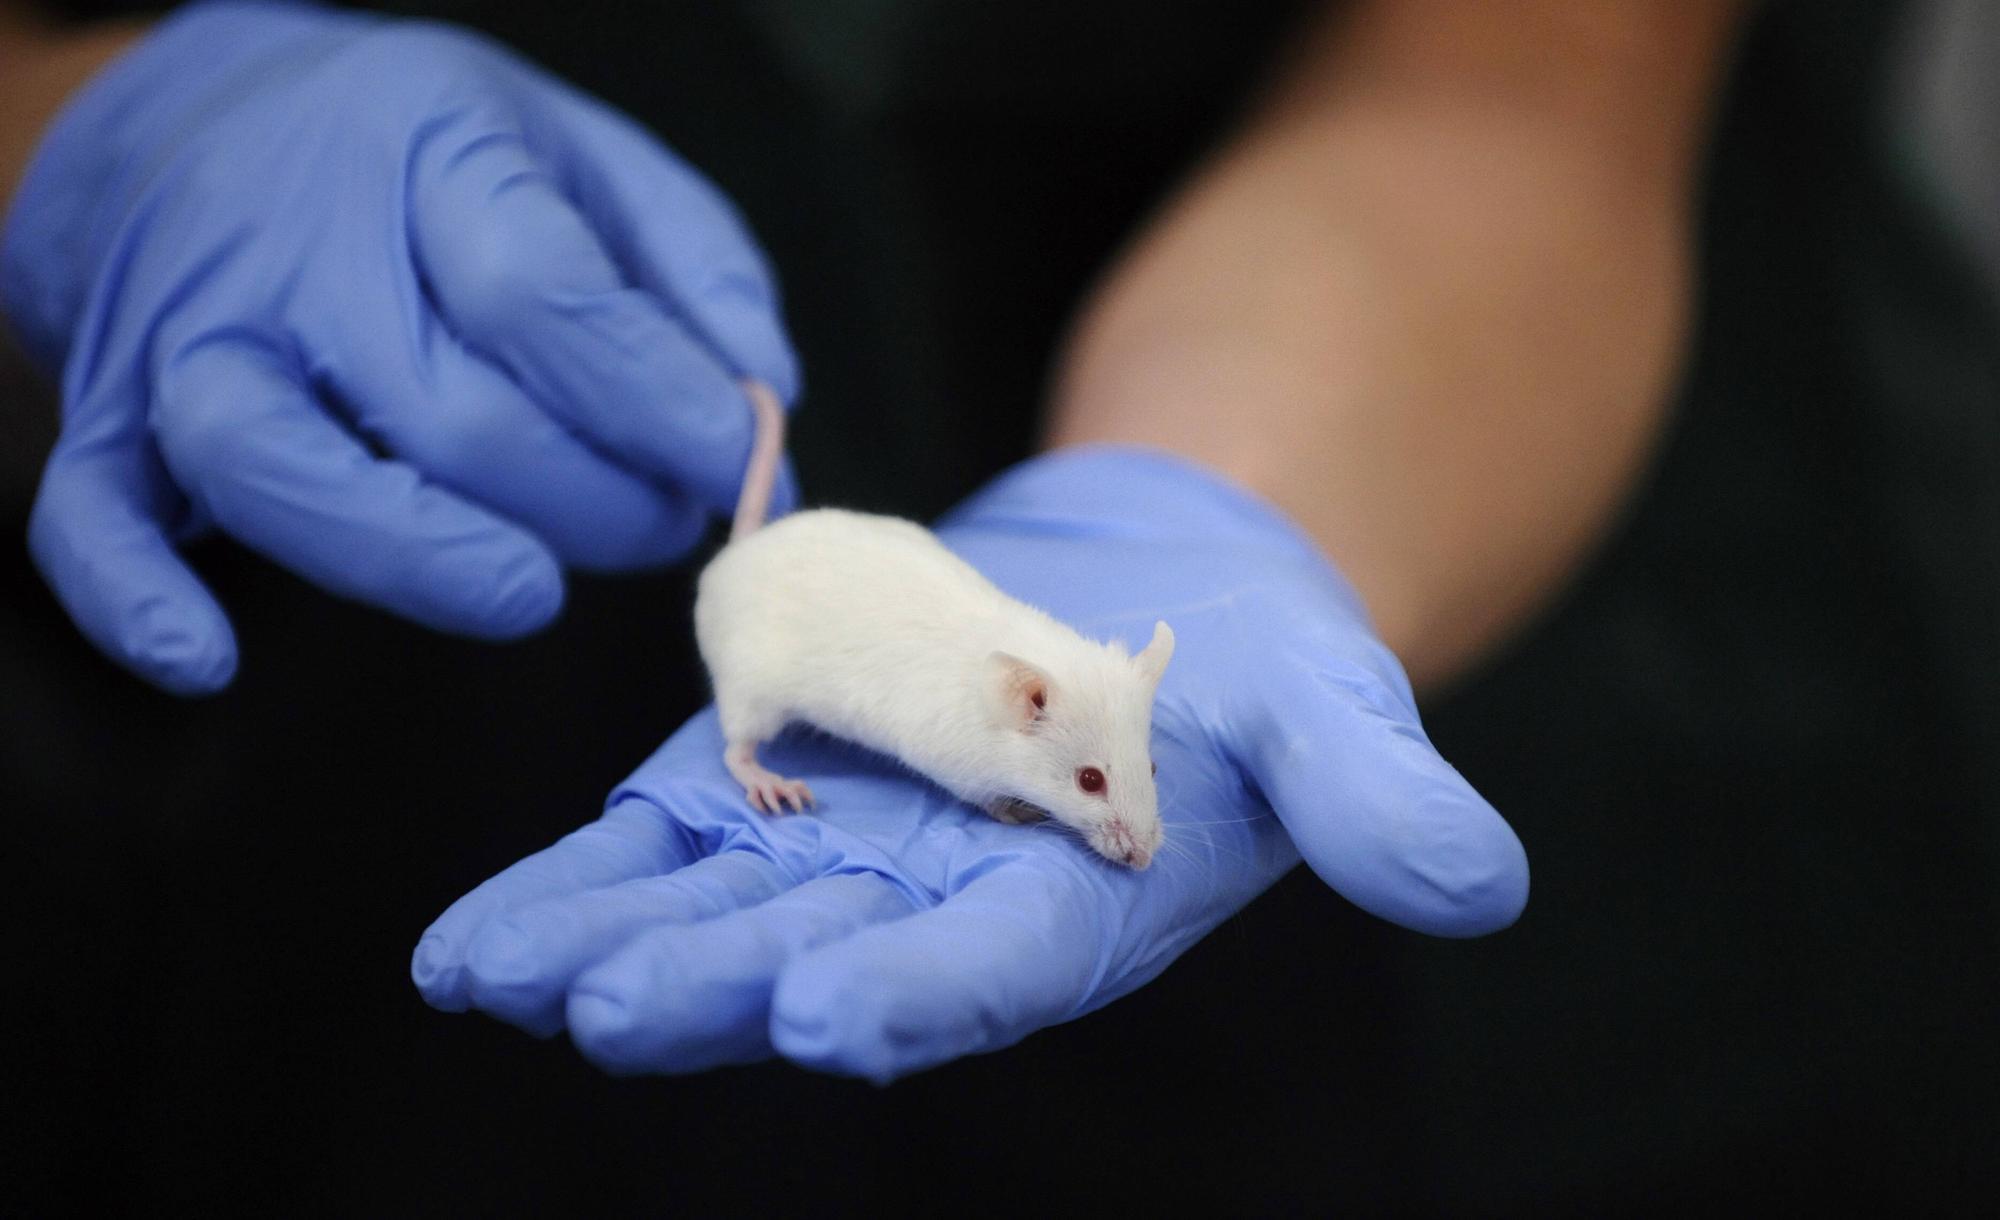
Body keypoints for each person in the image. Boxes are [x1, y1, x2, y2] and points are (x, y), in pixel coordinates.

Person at [5, 0, 1995, 1209]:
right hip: (316, 684)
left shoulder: (1055, 697)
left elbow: (1528, 56)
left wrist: (1216, 496)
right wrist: (70, 128)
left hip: (1405, 387)